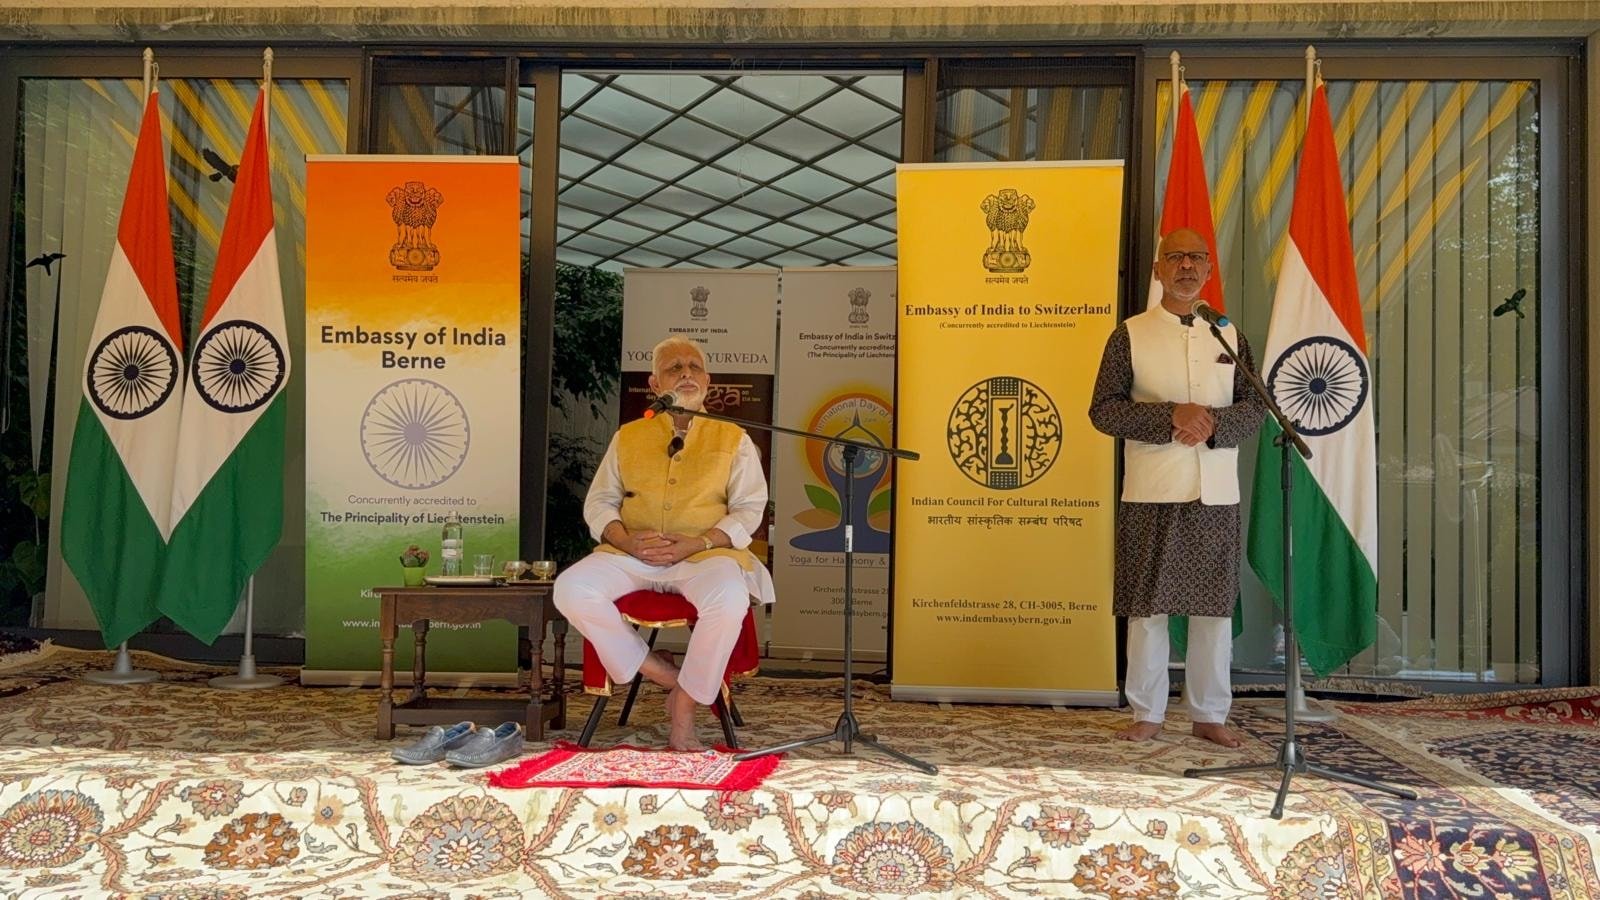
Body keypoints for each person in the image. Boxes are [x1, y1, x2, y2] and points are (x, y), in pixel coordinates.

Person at [1088, 228, 1265, 748]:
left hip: (1215, 492)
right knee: (1148, 609)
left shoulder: (1228, 336)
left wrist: (1212, 424)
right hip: (1152, 490)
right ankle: (1148, 712)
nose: (1186, 266)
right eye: (1175, 257)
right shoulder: (1130, 334)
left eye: (1196, 258)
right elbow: (1103, 410)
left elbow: (1256, 405)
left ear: (1208, 270)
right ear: (1159, 270)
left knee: (1213, 610)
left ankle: (1209, 714)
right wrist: (1171, 417)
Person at [554, 335, 774, 751]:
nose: (686, 373)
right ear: (655, 384)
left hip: (704, 556)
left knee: (730, 599)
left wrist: (700, 542)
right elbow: (599, 502)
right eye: (674, 368)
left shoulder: (734, 438)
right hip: (632, 555)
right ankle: (666, 676)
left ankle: (685, 704)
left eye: (694, 367)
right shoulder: (628, 436)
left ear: (707, 381)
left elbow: (749, 509)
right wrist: (626, 541)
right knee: (570, 588)